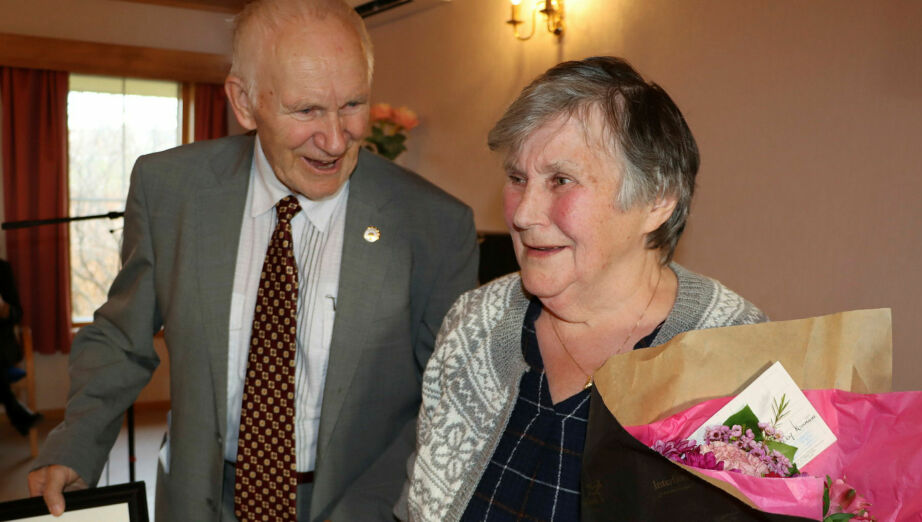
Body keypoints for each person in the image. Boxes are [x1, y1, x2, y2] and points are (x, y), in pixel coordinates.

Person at [28, 1, 478, 520]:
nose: (335, 140)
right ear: (244, 102)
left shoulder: (434, 225)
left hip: (357, 503)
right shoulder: (170, 190)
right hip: (200, 500)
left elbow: (448, 401)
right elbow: (121, 341)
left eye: (352, 104)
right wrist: (73, 443)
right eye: (306, 110)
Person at [398, 56, 767, 521]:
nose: (523, 213)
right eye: (517, 178)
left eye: (561, 180)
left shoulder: (739, 355)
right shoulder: (473, 324)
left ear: (656, 200)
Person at [0, 258, 41, 436]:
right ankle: (15, 410)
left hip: (2, 347)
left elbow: (17, 313)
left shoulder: (2, 269)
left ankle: (15, 411)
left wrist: (6, 310)